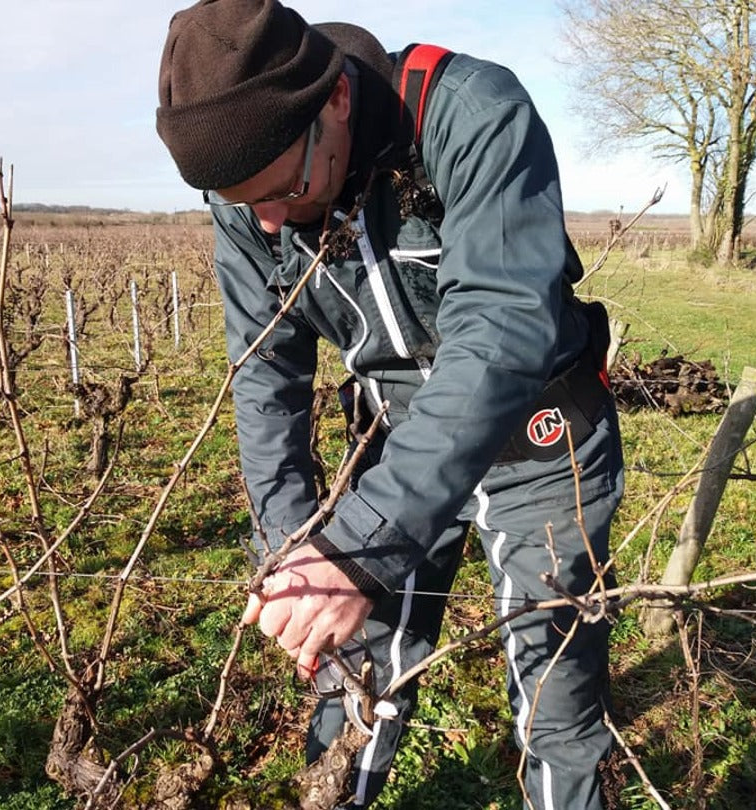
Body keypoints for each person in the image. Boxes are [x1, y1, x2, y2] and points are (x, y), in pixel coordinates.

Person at [155, 1, 624, 808]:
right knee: (356, 679)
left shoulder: (472, 112)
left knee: (556, 703)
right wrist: (294, 552)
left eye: (282, 189)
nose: (268, 221)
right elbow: (266, 375)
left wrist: (361, 548)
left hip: (542, 436)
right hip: (390, 444)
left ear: (335, 100)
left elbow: (499, 335)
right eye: (242, 203)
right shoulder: (250, 198)